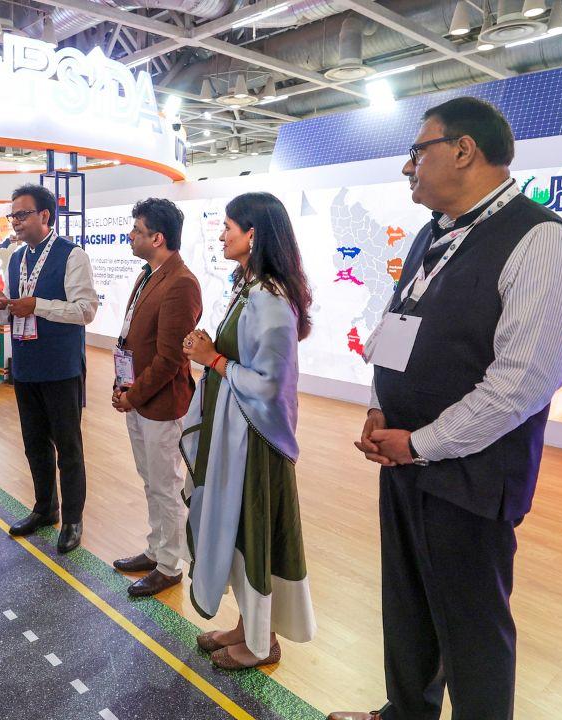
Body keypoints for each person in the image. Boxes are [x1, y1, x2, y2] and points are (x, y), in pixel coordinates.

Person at [348, 97, 562, 720]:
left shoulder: (542, 240)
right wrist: (379, 406)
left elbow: (525, 380)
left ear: (463, 150)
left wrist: (419, 443)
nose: (408, 168)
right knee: (407, 605)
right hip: (402, 459)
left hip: (471, 477)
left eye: (417, 152)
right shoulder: (435, 233)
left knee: (472, 627)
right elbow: (398, 327)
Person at [179, 191, 316, 670]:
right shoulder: (251, 289)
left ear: (252, 234)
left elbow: (271, 384)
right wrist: (211, 351)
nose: (221, 235)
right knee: (237, 531)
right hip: (236, 435)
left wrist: (213, 359)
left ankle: (262, 642)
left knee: (253, 535)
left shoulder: (270, 298)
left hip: (256, 442)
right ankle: (247, 628)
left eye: (228, 227)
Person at [0, 184, 98, 554]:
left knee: (69, 447)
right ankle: (45, 508)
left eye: (22, 214)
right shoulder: (16, 258)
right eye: (12, 215)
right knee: (34, 444)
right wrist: (2, 305)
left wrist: (37, 305)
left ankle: (74, 519)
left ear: (44, 215)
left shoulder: (71, 255)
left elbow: (85, 310)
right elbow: (9, 315)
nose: (15, 221)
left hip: (60, 366)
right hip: (26, 365)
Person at [110, 198, 202, 597]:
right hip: (138, 396)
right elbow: (134, 339)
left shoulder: (181, 283)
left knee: (166, 485)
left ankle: (169, 566)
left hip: (161, 404)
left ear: (158, 238)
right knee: (151, 480)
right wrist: (123, 387)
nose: (131, 236)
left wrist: (134, 395)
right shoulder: (149, 274)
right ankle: (155, 549)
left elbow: (169, 359)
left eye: (137, 230)